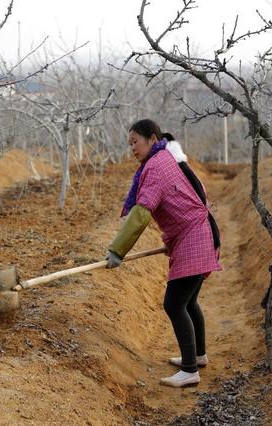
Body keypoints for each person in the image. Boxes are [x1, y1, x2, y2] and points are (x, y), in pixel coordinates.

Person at [106, 119, 222, 388]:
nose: (132, 148)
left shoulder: (157, 166)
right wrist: (174, 237)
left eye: (136, 141)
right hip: (196, 235)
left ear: (152, 138)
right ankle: (198, 356)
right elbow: (189, 196)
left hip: (195, 237)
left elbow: (141, 213)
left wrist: (117, 250)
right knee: (189, 301)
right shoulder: (166, 158)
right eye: (129, 144)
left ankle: (190, 370)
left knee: (174, 303)